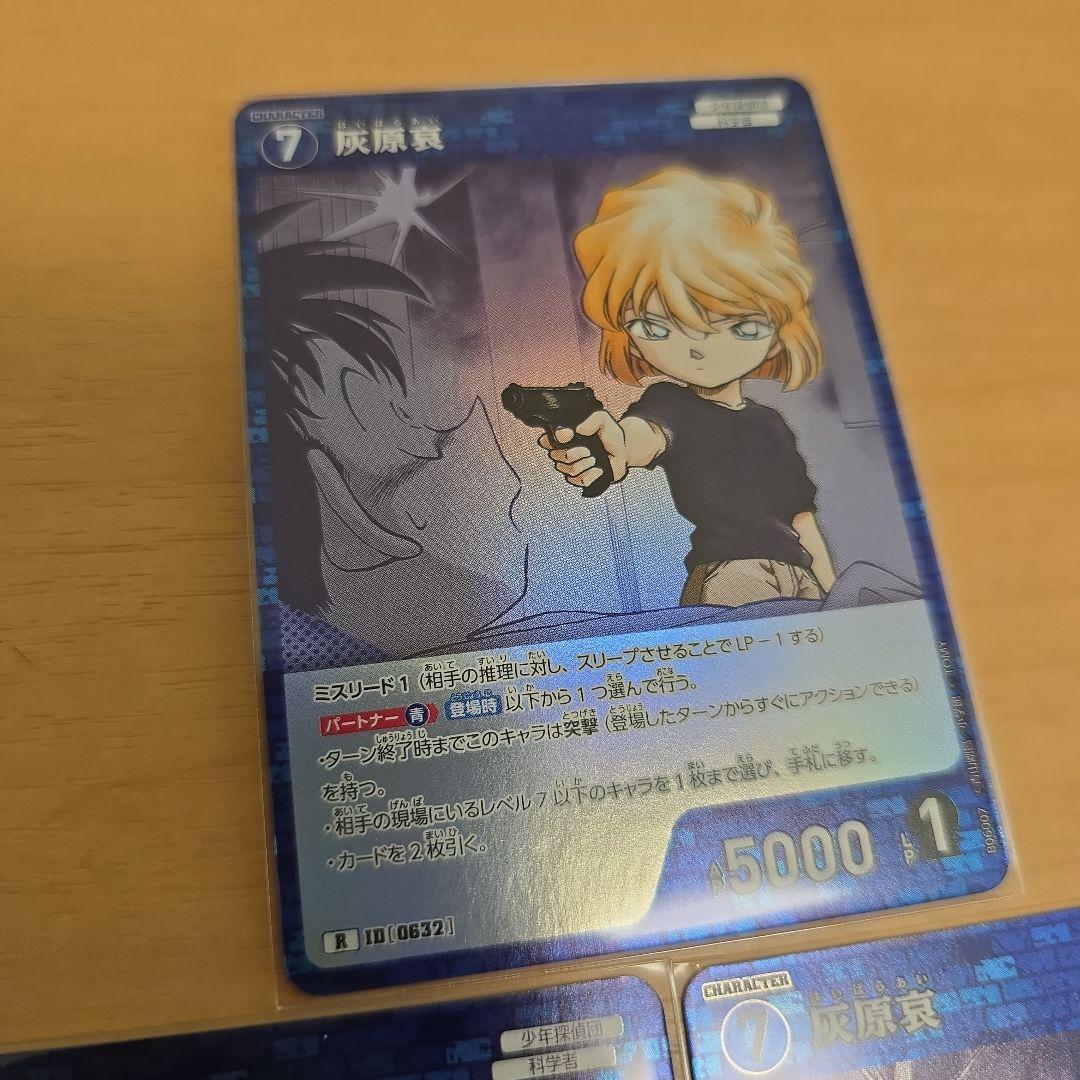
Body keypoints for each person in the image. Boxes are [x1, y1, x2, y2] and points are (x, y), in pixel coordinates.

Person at [540, 169, 835, 607]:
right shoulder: (672, 404)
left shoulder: (772, 424)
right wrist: (610, 445)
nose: (699, 347)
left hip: (801, 577)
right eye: (658, 326)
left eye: (740, 324)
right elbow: (642, 436)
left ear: (777, 331)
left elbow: (801, 518)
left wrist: (835, 594)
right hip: (734, 576)